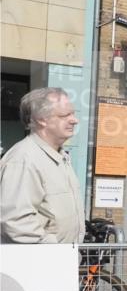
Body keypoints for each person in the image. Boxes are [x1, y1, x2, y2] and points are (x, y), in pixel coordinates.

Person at [0, 87, 85, 244]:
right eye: (65, 115)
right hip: (38, 263)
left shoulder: (60, 156)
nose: (74, 120)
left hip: (57, 261)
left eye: (73, 113)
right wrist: (53, 249)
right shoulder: (24, 159)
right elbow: (16, 221)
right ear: (41, 119)